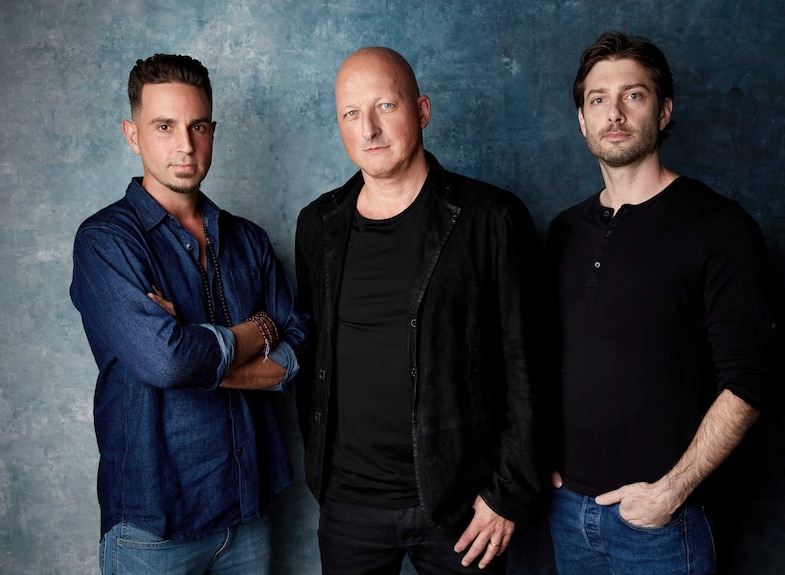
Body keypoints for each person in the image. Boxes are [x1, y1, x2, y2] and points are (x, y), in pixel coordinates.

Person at [294, 46, 543, 574]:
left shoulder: (491, 219)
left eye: (386, 106)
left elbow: (528, 365)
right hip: (348, 505)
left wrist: (507, 493)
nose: (369, 129)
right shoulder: (319, 225)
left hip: (462, 504)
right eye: (351, 113)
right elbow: (313, 354)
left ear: (423, 110)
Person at [546, 31, 774, 574]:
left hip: (661, 526)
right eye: (598, 99)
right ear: (582, 120)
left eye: (635, 95)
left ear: (664, 110)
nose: (614, 113)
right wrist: (547, 464)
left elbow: (751, 378)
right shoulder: (563, 233)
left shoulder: (718, 226)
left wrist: (669, 494)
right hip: (565, 514)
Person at [70, 54, 306, 574]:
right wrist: (257, 331)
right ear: (133, 135)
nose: (185, 145)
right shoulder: (106, 242)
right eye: (164, 126)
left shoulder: (248, 240)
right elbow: (167, 364)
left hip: (249, 512)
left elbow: (298, 344)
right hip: (154, 527)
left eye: (197, 126)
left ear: (213, 130)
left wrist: (194, 348)